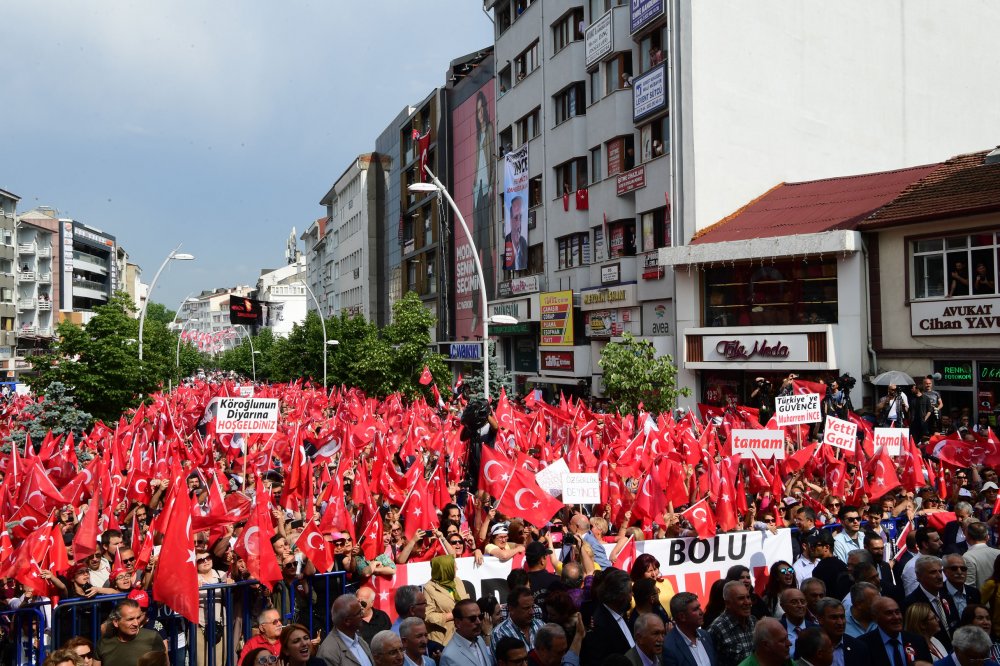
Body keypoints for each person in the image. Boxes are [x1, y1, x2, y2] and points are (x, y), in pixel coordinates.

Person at [857, 597, 932, 666]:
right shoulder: (863, 645)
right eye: (889, 613)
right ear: (875, 618)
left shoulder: (918, 641)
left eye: (897, 612)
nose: (896, 617)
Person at [581, 569, 634, 666]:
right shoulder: (599, 625)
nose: (632, 596)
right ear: (619, 596)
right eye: (630, 592)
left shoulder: (621, 614)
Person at [904, 556, 959, 650]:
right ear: (919, 576)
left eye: (940, 571)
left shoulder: (947, 595)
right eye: (933, 572)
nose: (939, 576)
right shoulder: (911, 604)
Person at [95, 598, 166, 666]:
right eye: (130, 619)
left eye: (138, 618)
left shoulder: (152, 638)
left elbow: (165, 663)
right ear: (116, 622)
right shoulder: (103, 643)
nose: (136, 623)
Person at [709, 580, 758, 666]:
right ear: (727, 603)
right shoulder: (717, 629)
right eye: (741, 598)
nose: (747, 602)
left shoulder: (753, 621)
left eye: (748, 597)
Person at [316, 594, 374, 666]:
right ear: (347, 621)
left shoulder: (360, 640)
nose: (362, 615)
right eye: (359, 613)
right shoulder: (328, 652)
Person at [424, 554, 470, 645]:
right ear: (445, 569)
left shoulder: (457, 581)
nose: (457, 568)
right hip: (444, 640)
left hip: (464, 634)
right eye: (454, 566)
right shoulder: (429, 588)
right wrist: (452, 615)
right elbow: (428, 616)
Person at [665, 592, 717, 666]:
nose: (701, 612)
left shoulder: (705, 635)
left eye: (699, 607)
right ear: (682, 616)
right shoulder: (669, 647)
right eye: (696, 609)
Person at [814, 597, 868, 666]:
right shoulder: (808, 646)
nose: (840, 622)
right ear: (820, 619)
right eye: (834, 617)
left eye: (842, 617)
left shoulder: (858, 648)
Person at [440, 599, 495, 666]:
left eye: (480, 617)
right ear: (458, 623)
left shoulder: (480, 640)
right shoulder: (448, 655)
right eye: (472, 618)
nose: (478, 622)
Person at [903, 529, 945, 596]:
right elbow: (913, 596)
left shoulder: (941, 562)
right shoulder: (912, 566)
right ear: (925, 544)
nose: (941, 542)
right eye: (936, 540)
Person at [963, 523, 1000, 591]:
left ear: (967, 537)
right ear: (987, 537)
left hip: (980, 600)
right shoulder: (998, 553)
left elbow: (969, 586)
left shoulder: (967, 557)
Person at [944, 553, 980, 619]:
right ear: (945, 571)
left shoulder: (974, 592)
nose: (959, 572)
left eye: (963, 568)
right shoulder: (938, 592)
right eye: (954, 568)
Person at [503, 195, 528, 271]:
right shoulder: (507, 241)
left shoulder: (523, 242)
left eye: (520, 218)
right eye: (516, 218)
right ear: (510, 220)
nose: (519, 223)